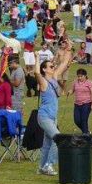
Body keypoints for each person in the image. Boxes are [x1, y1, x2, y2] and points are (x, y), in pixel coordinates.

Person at [33, 40, 73, 176]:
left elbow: (63, 63)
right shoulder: (43, 82)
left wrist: (68, 49)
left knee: (47, 144)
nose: (53, 67)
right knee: (58, 139)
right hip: (44, 116)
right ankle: (49, 165)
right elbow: (36, 73)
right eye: (50, 66)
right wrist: (37, 58)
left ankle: (41, 167)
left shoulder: (54, 78)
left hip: (52, 117)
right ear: (45, 69)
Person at [68, 68, 92, 134]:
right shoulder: (75, 82)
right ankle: (86, 131)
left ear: (85, 75)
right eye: (78, 76)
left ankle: (85, 134)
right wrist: (70, 92)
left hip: (86, 103)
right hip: (77, 104)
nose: (79, 78)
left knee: (84, 119)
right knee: (77, 120)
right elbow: (72, 90)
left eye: (81, 76)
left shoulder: (89, 82)